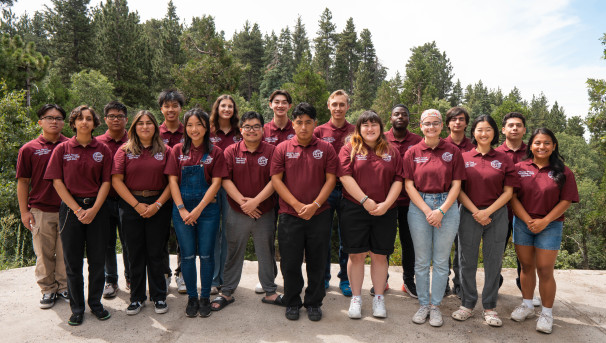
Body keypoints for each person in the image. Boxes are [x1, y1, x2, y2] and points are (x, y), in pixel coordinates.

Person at [44, 105, 113, 326]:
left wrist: (93, 210)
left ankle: (95, 304)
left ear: (94, 123)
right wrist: (77, 209)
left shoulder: (103, 149)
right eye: (80, 119)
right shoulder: (62, 149)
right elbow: (57, 182)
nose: (84, 122)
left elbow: (107, 182)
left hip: (98, 209)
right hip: (70, 210)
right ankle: (77, 308)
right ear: (73, 123)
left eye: (89, 119)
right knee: (73, 263)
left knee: (97, 261)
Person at [271, 102, 338, 322]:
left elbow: (331, 179)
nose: (303, 127)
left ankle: (313, 302)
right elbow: (276, 181)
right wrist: (298, 206)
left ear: (315, 124)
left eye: (308, 122)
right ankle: (292, 301)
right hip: (290, 214)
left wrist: (315, 205)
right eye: (299, 122)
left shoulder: (326, 149)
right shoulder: (282, 148)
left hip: (319, 214)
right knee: (290, 262)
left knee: (317, 261)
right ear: (293, 124)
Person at [509, 128, 578, 334]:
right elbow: (512, 197)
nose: (542, 147)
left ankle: (547, 313)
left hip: (551, 225)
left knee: (545, 270)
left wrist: (545, 221)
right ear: (530, 145)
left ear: (554, 146)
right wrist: (528, 220)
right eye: (537, 143)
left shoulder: (563, 171)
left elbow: (566, 200)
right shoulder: (519, 167)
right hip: (523, 222)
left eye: (547, 143)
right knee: (526, 266)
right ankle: (528, 305)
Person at [212, 111, 283, 311]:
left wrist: (256, 202)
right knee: (234, 251)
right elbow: (225, 179)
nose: (252, 130)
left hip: (265, 211)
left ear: (263, 129)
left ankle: (270, 291)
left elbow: (275, 180)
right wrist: (244, 204)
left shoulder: (272, 151)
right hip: (237, 211)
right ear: (241, 129)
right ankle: (226, 292)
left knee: (266, 251)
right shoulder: (230, 151)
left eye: (256, 126)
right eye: (248, 127)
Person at [451, 115, 517, 327]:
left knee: (493, 261)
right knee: (466, 261)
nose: (484, 133)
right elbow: (458, 189)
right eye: (480, 130)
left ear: (495, 132)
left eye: (488, 129)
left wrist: (488, 211)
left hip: (497, 214)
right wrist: (475, 212)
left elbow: (508, 192)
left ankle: (490, 307)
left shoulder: (503, 158)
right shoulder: (463, 157)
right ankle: (467, 304)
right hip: (469, 213)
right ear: (474, 133)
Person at [404, 109, 465, 327]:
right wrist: (427, 210)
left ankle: (435, 306)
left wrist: (440, 211)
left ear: (442, 126)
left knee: (440, 261)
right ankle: (423, 304)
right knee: (421, 261)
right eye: (427, 123)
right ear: (420, 126)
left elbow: (457, 184)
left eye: (436, 123)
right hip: (419, 205)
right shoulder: (412, 152)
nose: (431, 127)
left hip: (447, 205)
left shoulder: (452, 151)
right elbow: (408, 184)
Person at [339, 110, 403, 319]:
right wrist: (365, 200)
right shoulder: (349, 149)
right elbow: (345, 177)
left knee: (379, 255)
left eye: (374, 124)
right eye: (365, 124)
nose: (370, 128)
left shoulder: (392, 151)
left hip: (385, 210)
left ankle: (378, 298)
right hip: (355, 209)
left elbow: (398, 180)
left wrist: (386, 204)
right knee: (356, 254)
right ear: (358, 129)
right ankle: (356, 298)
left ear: (381, 127)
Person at [164, 108, 227, 318]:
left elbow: (216, 183)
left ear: (206, 127)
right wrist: (182, 209)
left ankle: (205, 297)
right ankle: (192, 297)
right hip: (182, 209)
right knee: (188, 256)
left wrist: (198, 210)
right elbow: (172, 181)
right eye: (190, 125)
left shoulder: (215, 152)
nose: (194, 129)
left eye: (199, 124)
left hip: (207, 209)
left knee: (207, 255)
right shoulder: (177, 150)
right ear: (185, 128)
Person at [111, 111, 172, 315]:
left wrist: (157, 205)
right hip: (131, 205)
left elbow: (172, 183)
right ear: (134, 127)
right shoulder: (124, 150)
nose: (145, 127)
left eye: (149, 123)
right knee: (134, 253)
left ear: (155, 126)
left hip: (159, 205)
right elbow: (116, 181)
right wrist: (137, 205)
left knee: (156, 253)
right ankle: (137, 298)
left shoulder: (166, 150)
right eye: (140, 123)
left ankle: (159, 296)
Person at [16, 104, 69, 309]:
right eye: (49, 118)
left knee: (65, 253)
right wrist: (24, 212)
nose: (54, 121)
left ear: (64, 122)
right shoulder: (29, 149)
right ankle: (48, 289)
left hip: (68, 208)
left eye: (58, 118)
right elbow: (23, 182)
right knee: (44, 254)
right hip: (40, 210)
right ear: (40, 122)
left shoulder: (70, 146)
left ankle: (64, 287)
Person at [314, 89, 356, 296]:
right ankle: (322, 278)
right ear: (328, 106)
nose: (338, 108)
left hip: (350, 191)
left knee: (347, 238)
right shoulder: (319, 131)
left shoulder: (356, 131)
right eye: (334, 104)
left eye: (342, 104)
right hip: (325, 190)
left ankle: (345, 279)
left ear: (348, 107)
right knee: (322, 236)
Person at [384, 104, 422, 298]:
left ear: (409, 118)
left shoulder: (418, 141)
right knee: (384, 243)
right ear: (390, 118)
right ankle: (382, 280)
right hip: (386, 201)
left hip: (410, 202)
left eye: (404, 114)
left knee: (409, 244)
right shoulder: (381, 138)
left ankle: (408, 281)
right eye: (396, 114)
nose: (400, 117)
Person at [495, 112, 532, 298]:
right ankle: (494, 285)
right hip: (500, 213)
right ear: (503, 130)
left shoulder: (533, 152)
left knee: (525, 259)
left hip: (527, 214)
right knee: (495, 253)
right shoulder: (496, 154)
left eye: (518, 125)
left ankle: (526, 291)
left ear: (524, 130)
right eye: (511, 125)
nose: (515, 128)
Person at [209, 94, 242, 295]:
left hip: (233, 187)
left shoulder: (240, 131)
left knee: (230, 235)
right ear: (217, 108)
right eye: (223, 105)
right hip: (211, 186)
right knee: (214, 234)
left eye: (230, 106)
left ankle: (228, 280)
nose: (227, 109)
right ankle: (214, 279)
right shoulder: (209, 131)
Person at [97, 101, 130, 299]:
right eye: (111, 116)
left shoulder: (134, 140)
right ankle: (111, 279)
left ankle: (131, 278)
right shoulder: (98, 142)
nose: (116, 119)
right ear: (105, 119)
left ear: (127, 119)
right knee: (107, 242)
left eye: (119, 116)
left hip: (128, 199)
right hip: (104, 200)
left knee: (129, 242)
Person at [443, 106, 474, 297]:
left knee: (463, 247)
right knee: (443, 246)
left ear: (466, 123)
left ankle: (460, 283)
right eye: (453, 119)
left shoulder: (474, 146)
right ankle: (443, 281)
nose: (457, 122)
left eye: (461, 119)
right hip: (444, 203)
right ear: (447, 124)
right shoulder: (440, 145)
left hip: (467, 203)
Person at [158, 89, 186, 294]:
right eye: (167, 106)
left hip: (186, 191)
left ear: (180, 108)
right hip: (160, 192)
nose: (171, 109)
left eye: (174, 105)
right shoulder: (154, 132)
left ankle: (182, 274)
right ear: (161, 109)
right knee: (161, 237)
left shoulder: (190, 131)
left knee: (183, 237)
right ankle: (165, 274)